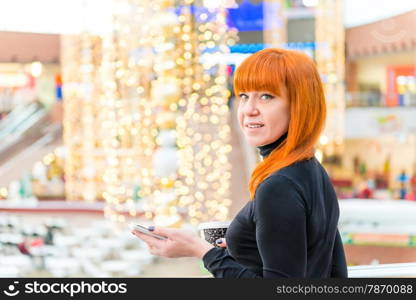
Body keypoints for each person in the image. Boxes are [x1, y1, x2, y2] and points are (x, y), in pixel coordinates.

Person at [132, 48, 348, 278]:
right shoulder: (313, 170)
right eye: (244, 96)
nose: (248, 110)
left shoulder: (278, 186)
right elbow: (333, 269)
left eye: (266, 96)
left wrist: (201, 251)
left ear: (299, 105)